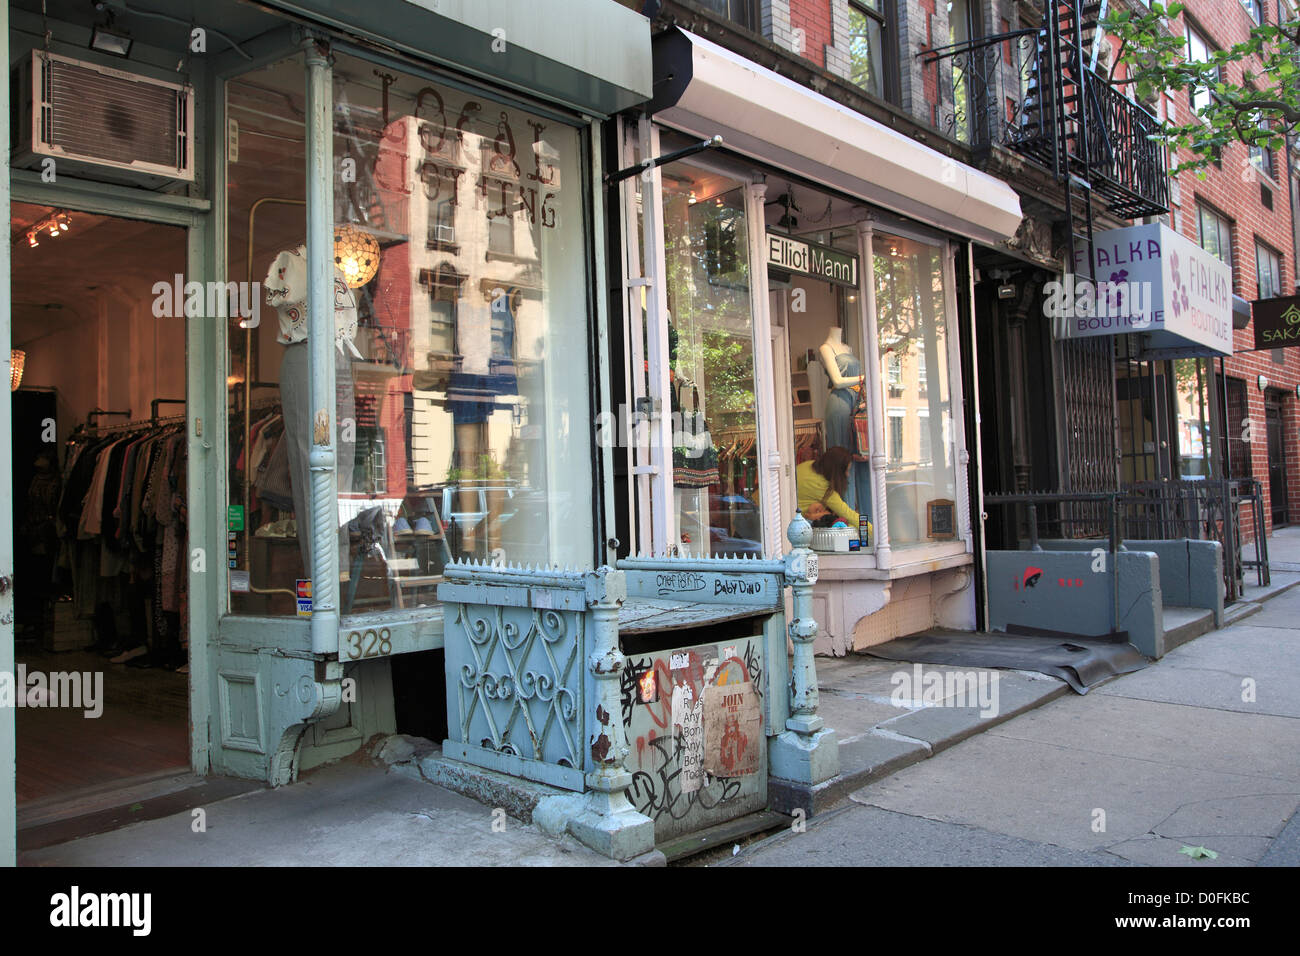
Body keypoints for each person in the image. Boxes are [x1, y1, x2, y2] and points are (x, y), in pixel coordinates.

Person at [797, 446, 872, 534]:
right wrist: (876, 533)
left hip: (789, 519)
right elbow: (849, 514)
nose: (847, 475)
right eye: (846, 471)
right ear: (836, 471)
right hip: (802, 527)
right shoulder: (823, 487)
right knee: (849, 527)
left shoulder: (807, 465)